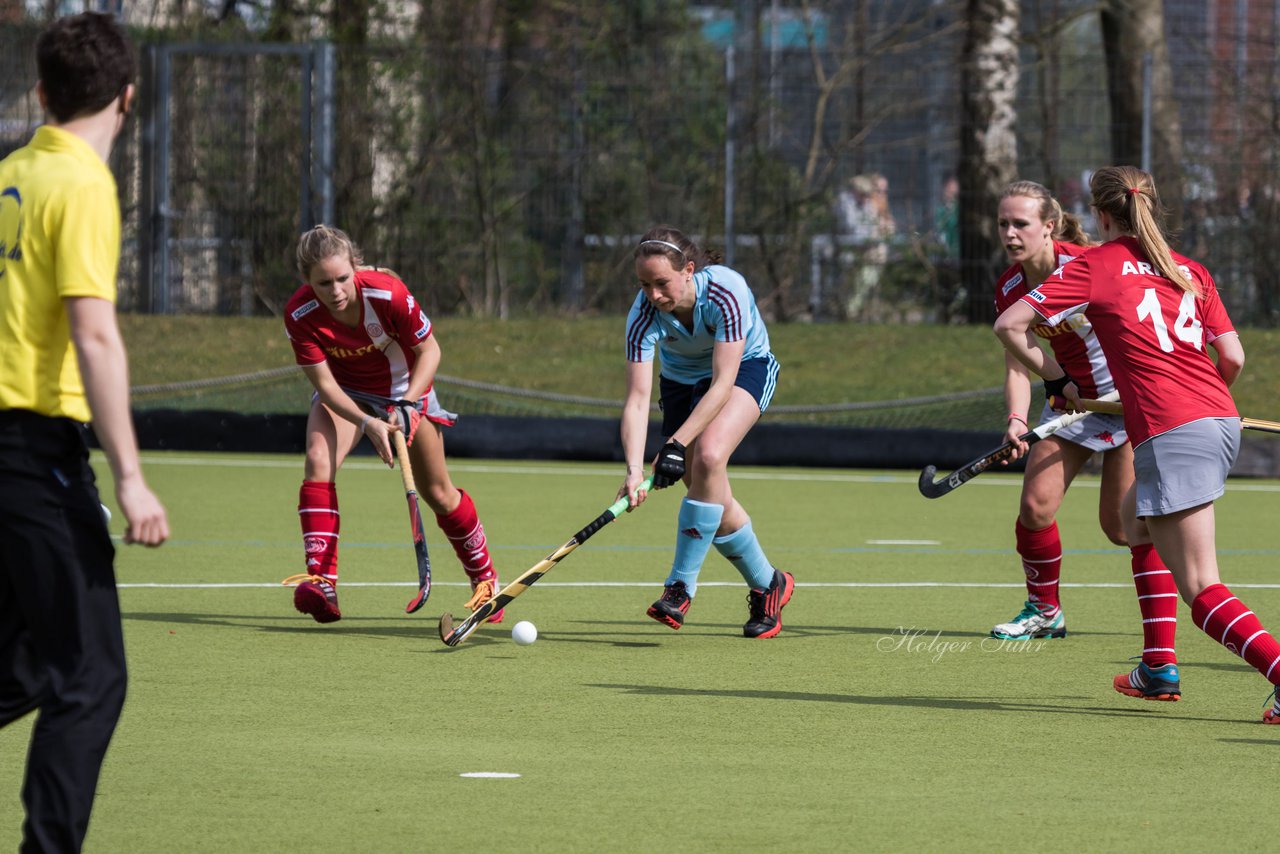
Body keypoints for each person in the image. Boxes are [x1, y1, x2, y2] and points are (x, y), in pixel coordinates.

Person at [995, 165, 1280, 723]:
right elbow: (1234, 359)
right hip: (1216, 419)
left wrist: (1055, 380)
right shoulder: (1190, 268)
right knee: (1132, 523)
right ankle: (1155, 666)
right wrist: (1197, 398)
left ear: (1100, 215)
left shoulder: (1096, 264)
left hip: (1170, 429)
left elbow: (1010, 326)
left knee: (1201, 589)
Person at [0, 12, 170, 852]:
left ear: (42, 92)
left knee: (26, 662)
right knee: (91, 674)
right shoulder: (83, 186)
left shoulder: (12, 172)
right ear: (127, 98)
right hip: (31, 453)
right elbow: (94, 333)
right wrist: (132, 477)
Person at [987, 180, 1181, 657]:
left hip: (1130, 406)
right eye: (1002, 224)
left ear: (1049, 226)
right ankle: (1044, 611)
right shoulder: (1010, 286)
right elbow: (1018, 360)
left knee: (1122, 528)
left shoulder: (1090, 265)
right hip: (1075, 407)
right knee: (1035, 508)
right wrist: (1016, 418)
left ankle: (1181, 603)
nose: (1010, 234)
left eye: (1020, 224)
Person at [281, 225, 502, 624]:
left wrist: (407, 404)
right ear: (307, 281)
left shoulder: (387, 293)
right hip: (348, 396)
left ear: (356, 266)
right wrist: (367, 422)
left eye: (342, 278)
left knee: (438, 492)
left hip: (407, 389)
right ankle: (322, 581)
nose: (335, 290)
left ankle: (485, 580)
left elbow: (430, 350)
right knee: (318, 460)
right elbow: (326, 385)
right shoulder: (300, 314)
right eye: (323, 283)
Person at [618, 225, 792, 638]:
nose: (654, 295)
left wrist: (676, 443)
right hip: (680, 385)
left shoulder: (726, 291)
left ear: (689, 270)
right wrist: (632, 469)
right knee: (706, 487)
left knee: (710, 455)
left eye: (662, 283)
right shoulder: (642, 316)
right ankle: (770, 584)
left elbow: (723, 381)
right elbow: (638, 400)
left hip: (744, 370)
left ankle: (679, 588)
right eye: (644, 285)